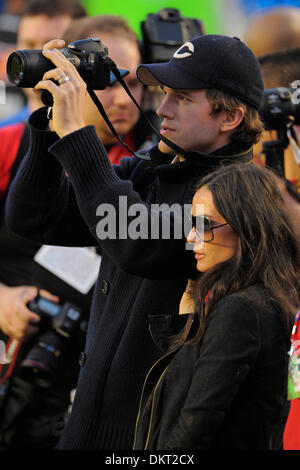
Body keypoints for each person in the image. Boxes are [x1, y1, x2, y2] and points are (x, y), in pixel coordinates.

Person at [6, 34, 265, 450]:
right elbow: (33, 216)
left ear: (230, 117)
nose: (161, 109)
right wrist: (49, 124)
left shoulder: (236, 200)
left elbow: (133, 238)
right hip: (83, 430)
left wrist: (78, 135)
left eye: (181, 97)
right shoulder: (151, 171)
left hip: (149, 444)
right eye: (164, 94)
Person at [133, 162, 300, 450]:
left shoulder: (241, 309)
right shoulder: (276, 295)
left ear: (247, 225)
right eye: (192, 223)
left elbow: (195, 424)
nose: (190, 238)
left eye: (205, 224)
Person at [0, 0, 91, 451]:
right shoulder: (8, 143)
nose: (38, 66)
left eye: (53, 52)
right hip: (15, 366)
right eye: (29, 49)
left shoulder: (150, 151)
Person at [62, 15, 156, 164]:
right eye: (107, 83)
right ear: (69, 79)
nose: (123, 100)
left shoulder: (159, 152)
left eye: (133, 83)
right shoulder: (18, 143)